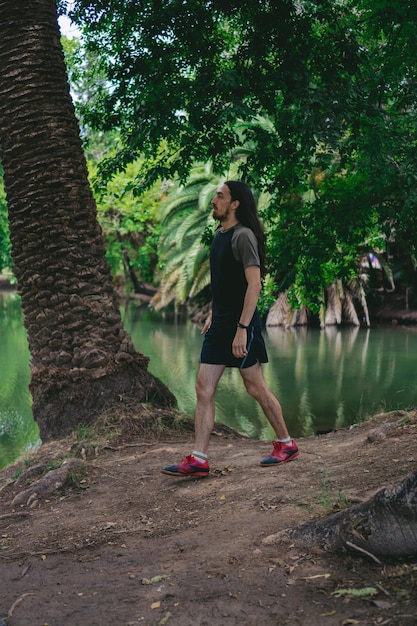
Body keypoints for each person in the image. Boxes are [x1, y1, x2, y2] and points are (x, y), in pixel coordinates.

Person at [161, 180, 299, 477]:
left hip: (240, 325)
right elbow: (224, 283)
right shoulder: (220, 234)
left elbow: (255, 285)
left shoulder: (243, 236)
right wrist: (213, 312)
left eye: (220, 196)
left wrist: (242, 328)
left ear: (235, 203)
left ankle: (286, 443)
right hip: (221, 323)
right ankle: (199, 459)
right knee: (203, 388)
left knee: (255, 387)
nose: (214, 200)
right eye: (215, 196)